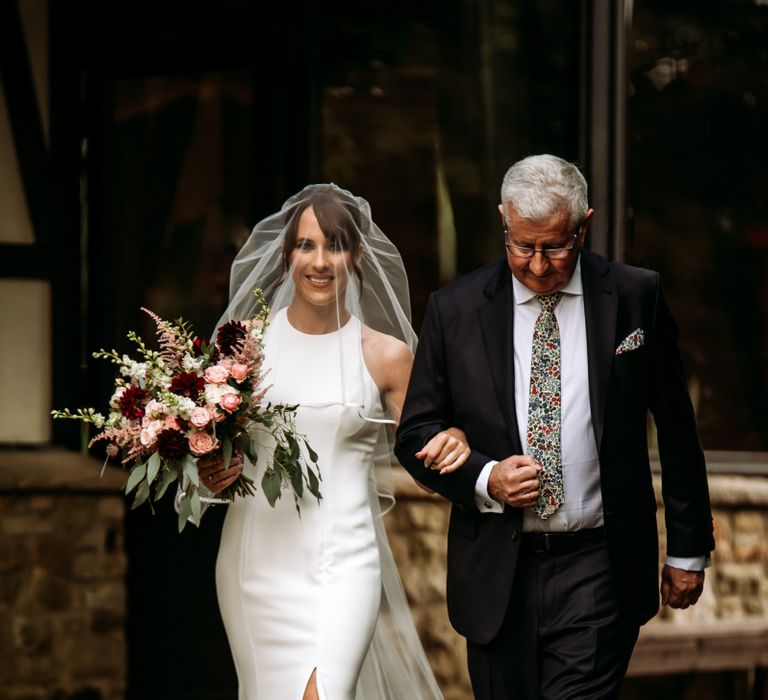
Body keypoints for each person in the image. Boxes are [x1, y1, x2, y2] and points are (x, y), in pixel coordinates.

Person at [394, 154, 715, 699]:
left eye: (555, 247)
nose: (538, 266)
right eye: (523, 246)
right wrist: (485, 477)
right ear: (503, 221)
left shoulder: (637, 297)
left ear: (583, 225)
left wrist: (687, 549)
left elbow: (678, 432)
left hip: (599, 565)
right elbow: (415, 433)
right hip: (498, 571)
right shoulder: (455, 310)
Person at [195, 184, 466, 700]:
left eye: (336, 245)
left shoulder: (385, 355)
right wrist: (213, 469)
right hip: (256, 563)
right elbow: (213, 450)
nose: (321, 262)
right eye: (306, 246)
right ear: (286, 255)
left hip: (344, 561)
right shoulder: (245, 347)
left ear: (357, 255)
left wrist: (453, 439)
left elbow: (429, 457)